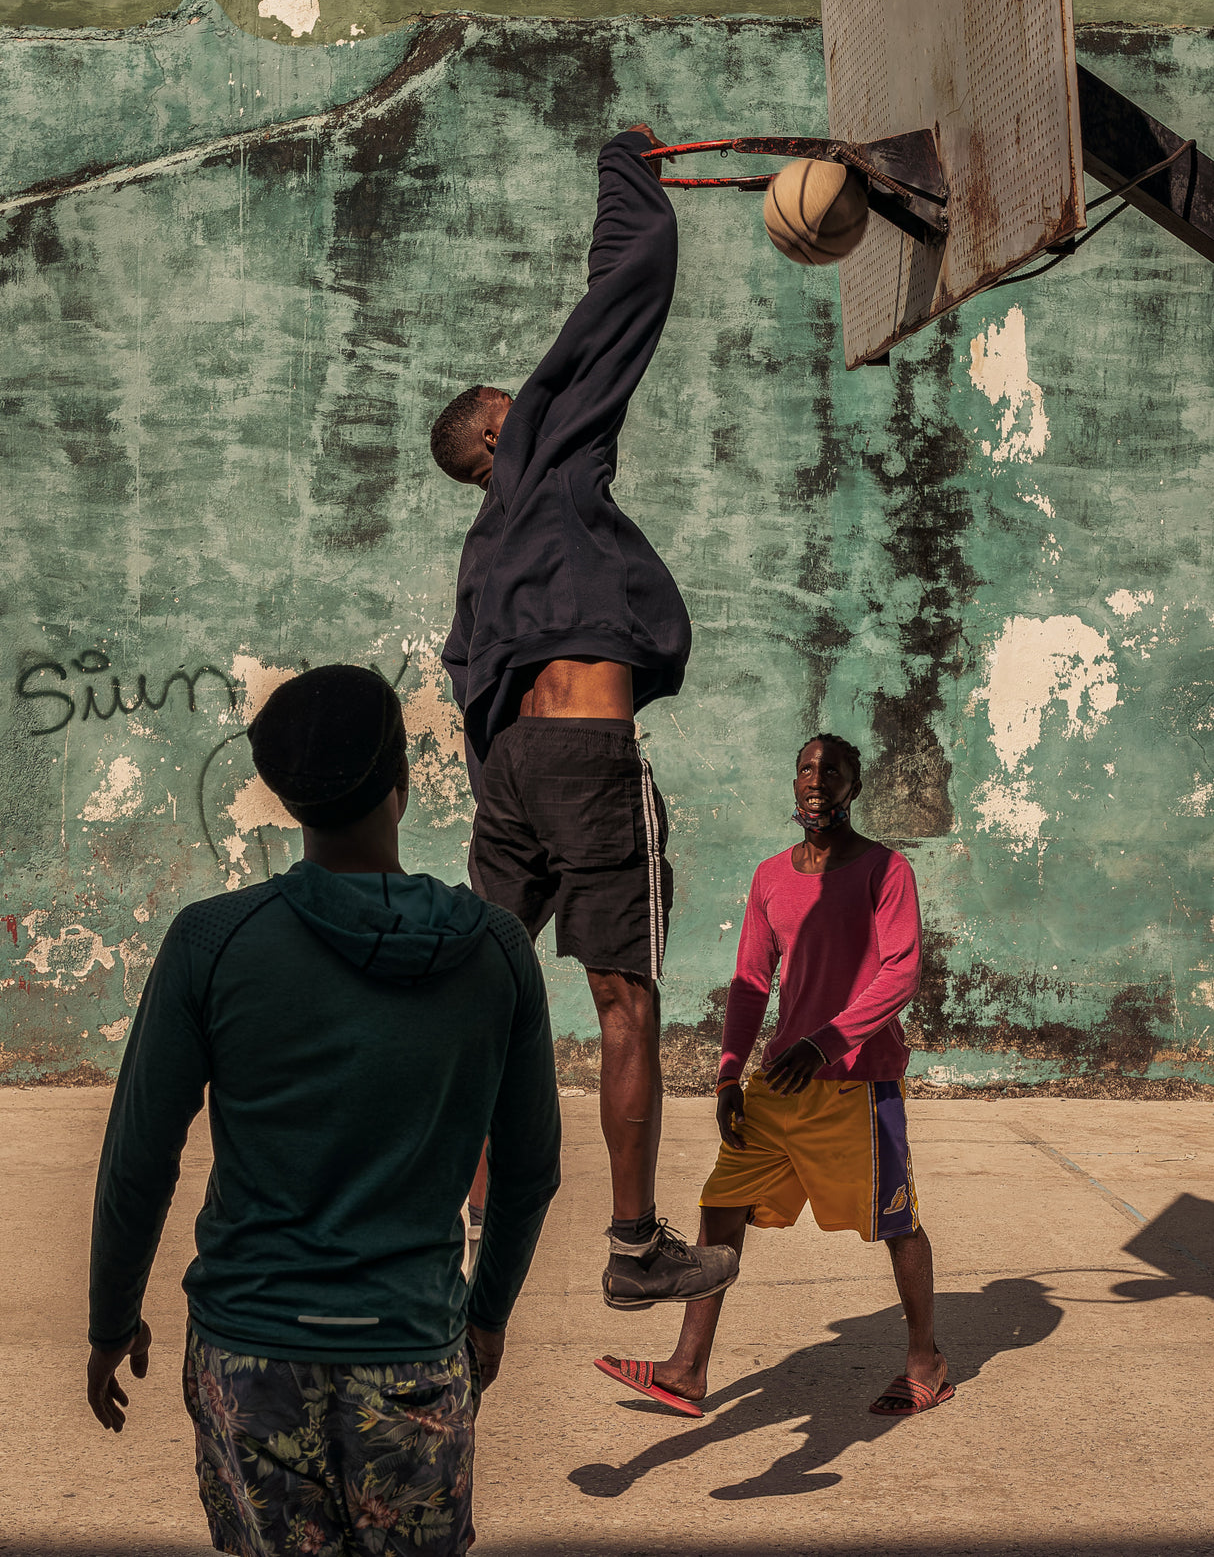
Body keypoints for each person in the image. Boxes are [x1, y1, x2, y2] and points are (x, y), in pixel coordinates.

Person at [86, 665, 561, 1557]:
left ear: (286, 799)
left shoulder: (211, 941)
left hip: (249, 1358)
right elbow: (530, 1169)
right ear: (402, 780)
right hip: (412, 1355)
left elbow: (139, 1157)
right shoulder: (496, 951)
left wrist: (112, 1318)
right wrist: (486, 1316)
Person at [431, 123, 736, 1311]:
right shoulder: (547, 459)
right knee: (624, 1002)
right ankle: (633, 1245)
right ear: (497, 432)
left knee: (475, 996)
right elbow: (623, 293)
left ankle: (451, 1233)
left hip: (508, 770)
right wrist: (625, 170)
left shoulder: (483, 553)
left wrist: (507, 789)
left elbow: (468, 680)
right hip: (582, 759)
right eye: (517, 402)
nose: (536, 398)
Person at [595, 733, 951, 1419]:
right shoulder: (769, 877)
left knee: (897, 1221)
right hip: (779, 1084)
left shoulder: (886, 870)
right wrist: (728, 1076)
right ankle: (687, 1369)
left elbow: (901, 972)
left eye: (832, 770)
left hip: (858, 1085)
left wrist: (827, 1043)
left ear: (853, 786)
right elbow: (751, 982)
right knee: (721, 1205)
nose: (817, 779)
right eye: (806, 768)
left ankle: (926, 1360)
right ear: (794, 784)